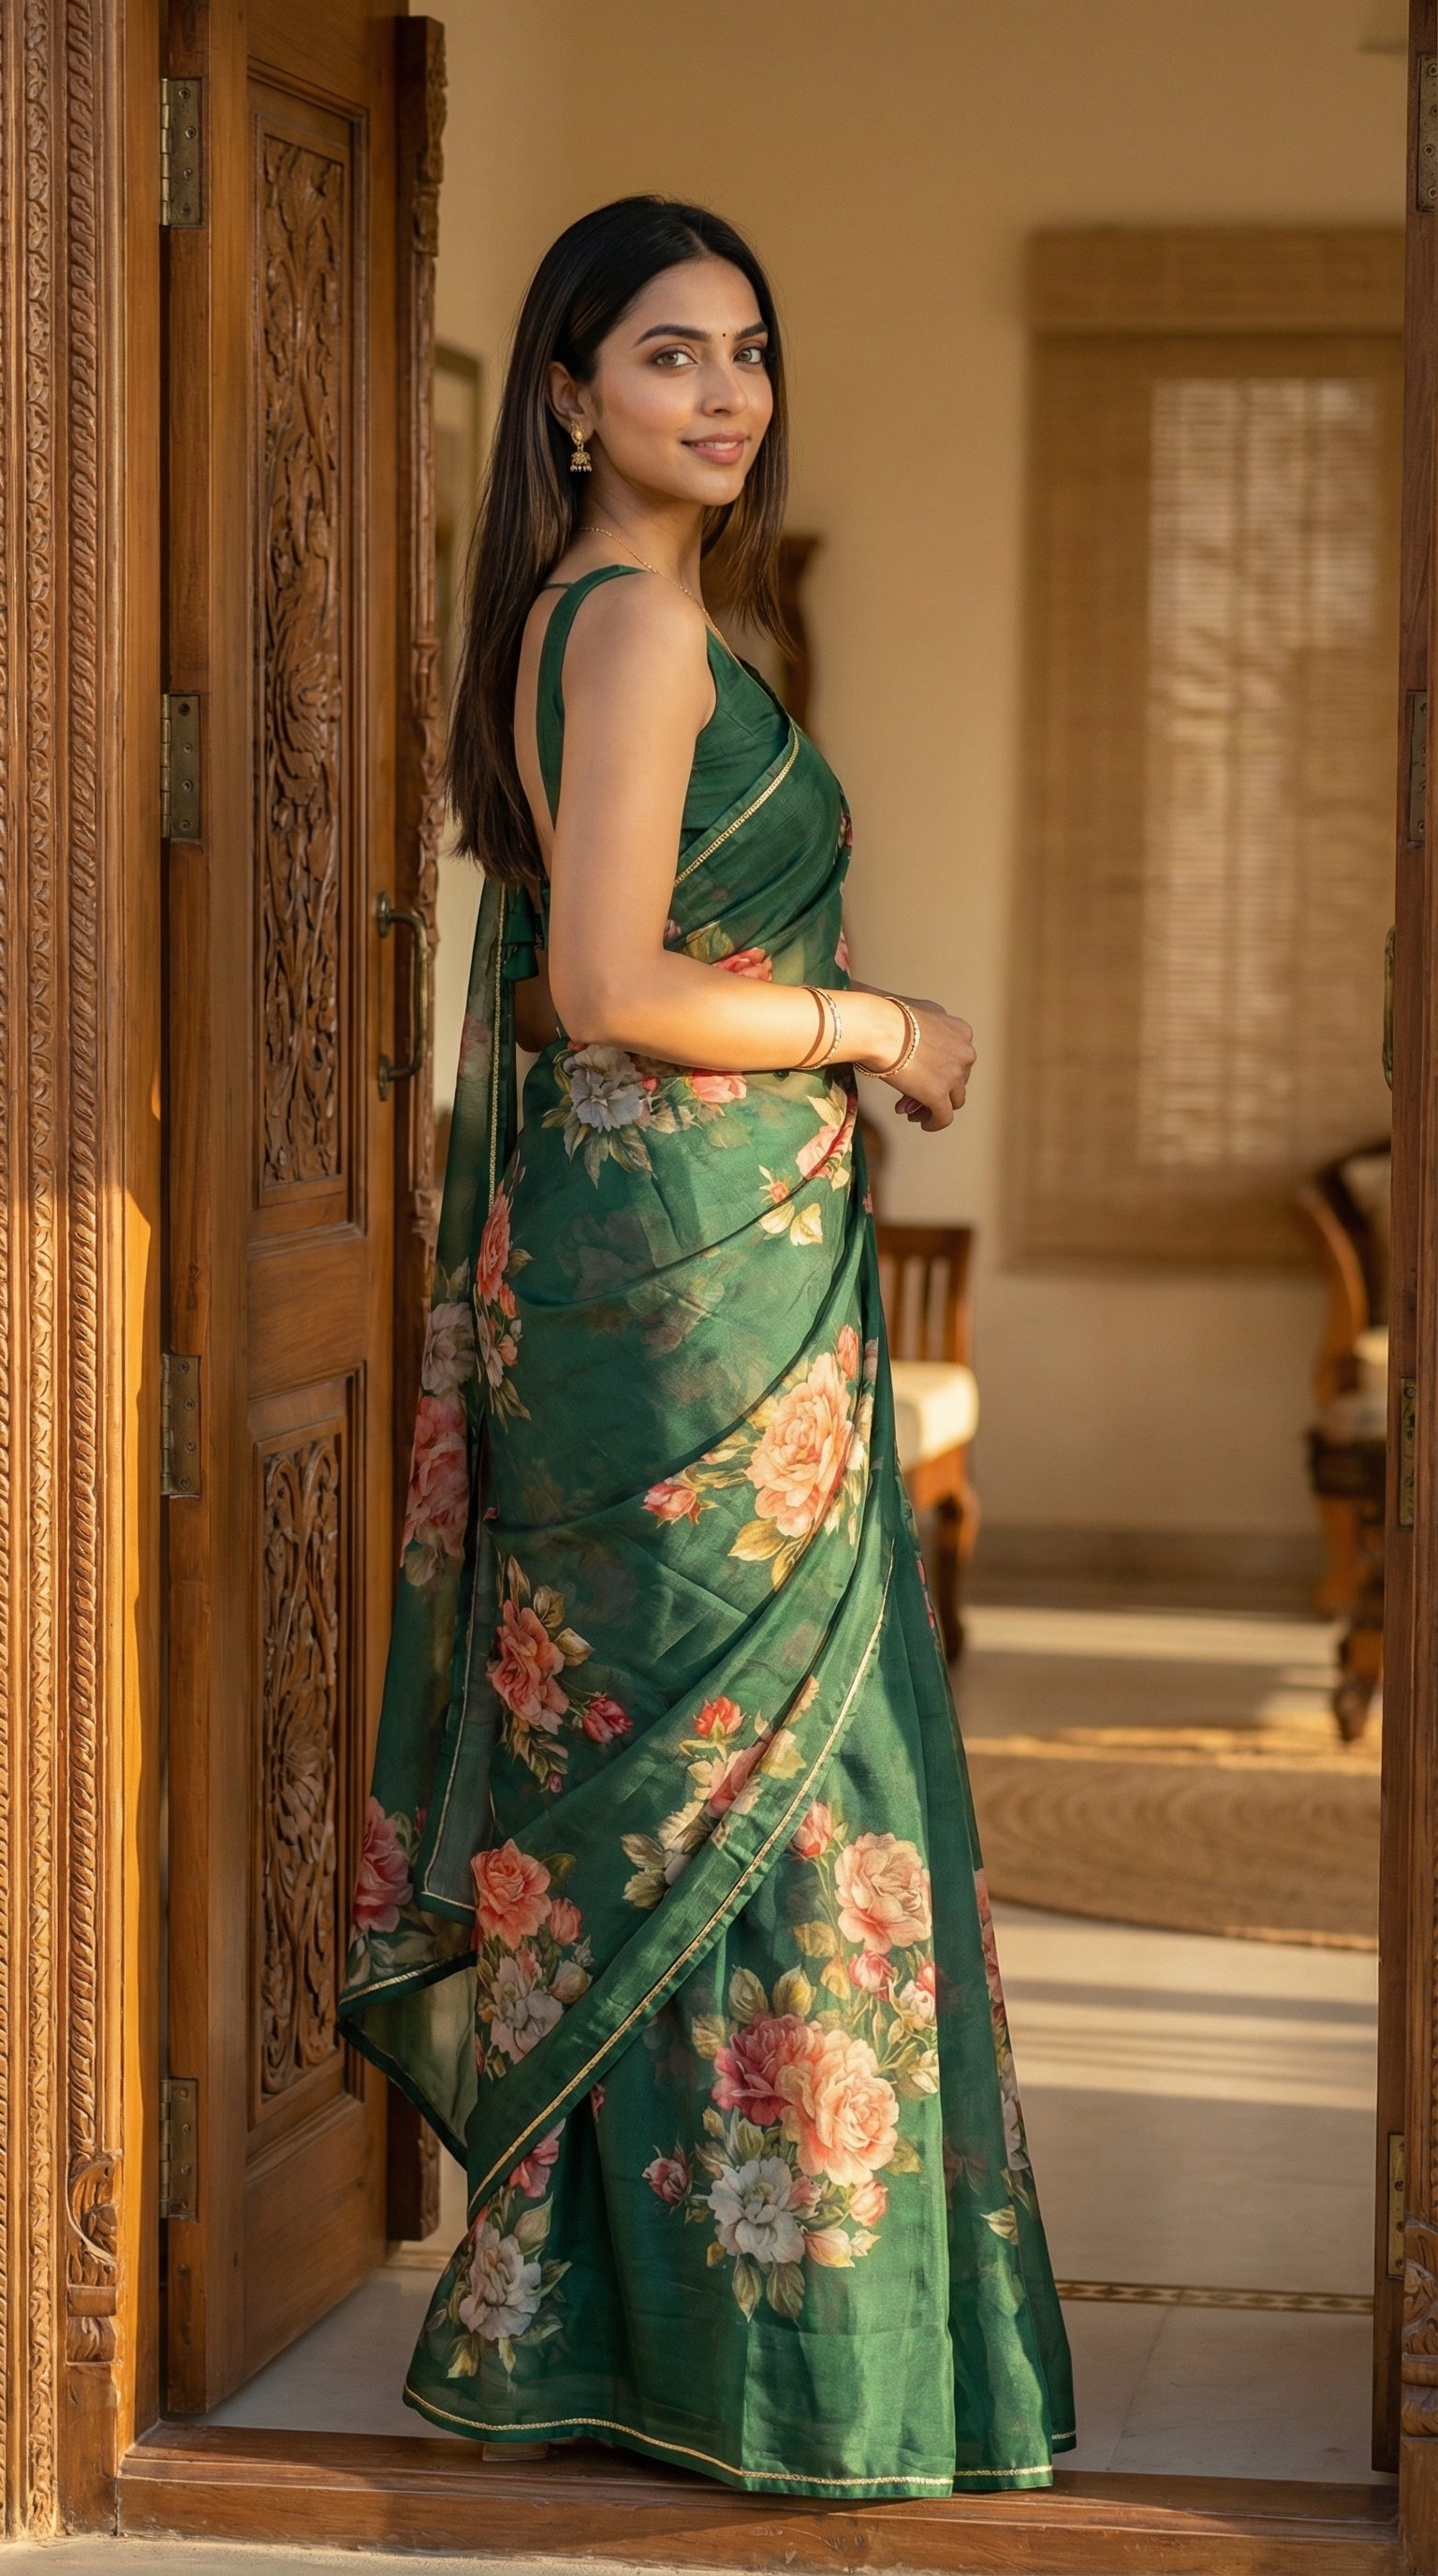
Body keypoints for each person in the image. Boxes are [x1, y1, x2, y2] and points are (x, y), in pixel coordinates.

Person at [339, 194, 1073, 2500]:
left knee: (731, 1792)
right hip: (680, 1312)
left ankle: (681, 2337)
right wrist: (881, 1019)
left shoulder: (606, 614)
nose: (725, 391)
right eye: (669, 353)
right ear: (570, 393)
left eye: (747, 349)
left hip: (696, 1258)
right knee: (776, 1789)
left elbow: (637, 979)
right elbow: (609, 988)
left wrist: (822, 1067)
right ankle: (781, 2363)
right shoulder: (637, 622)